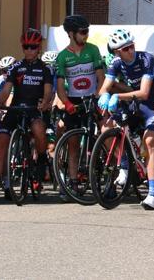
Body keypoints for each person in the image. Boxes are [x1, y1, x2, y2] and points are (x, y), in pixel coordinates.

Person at [98, 28, 154, 209]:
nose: (131, 50)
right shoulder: (116, 63)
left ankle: (152, 194)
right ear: (117, 52)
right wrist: (104, 95)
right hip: (134, 102)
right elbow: (105, 87)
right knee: (107, 127)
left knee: (149, 142)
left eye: (132, 46)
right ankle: (125, 166)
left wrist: (117, 96)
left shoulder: (146, 59)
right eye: (126, 48)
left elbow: (144, 93)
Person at [0, 29, 53, 194]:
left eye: (33, 47)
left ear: (39, 48)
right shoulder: (15, 67)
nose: (29, 50)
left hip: (34, 108)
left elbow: (48, 91)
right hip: (16, 108)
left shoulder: (45, 69)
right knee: (1, 141)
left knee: (39, 129)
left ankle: (41, 159)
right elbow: (6, 90)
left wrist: (45, 101)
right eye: (26, 46)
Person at [55, 15, 105, 200]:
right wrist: (66, 103)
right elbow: (60, 87)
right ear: (71, 34)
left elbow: (101, 78)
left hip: (92, 98)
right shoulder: (62, 57)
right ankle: (73, 181)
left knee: (102, 134)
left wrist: (98, 96)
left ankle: (108, 175)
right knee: (73, 142)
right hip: (74, 101)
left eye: (87, 31)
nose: (86, 35)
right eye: (83, 32)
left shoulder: (93, 50)